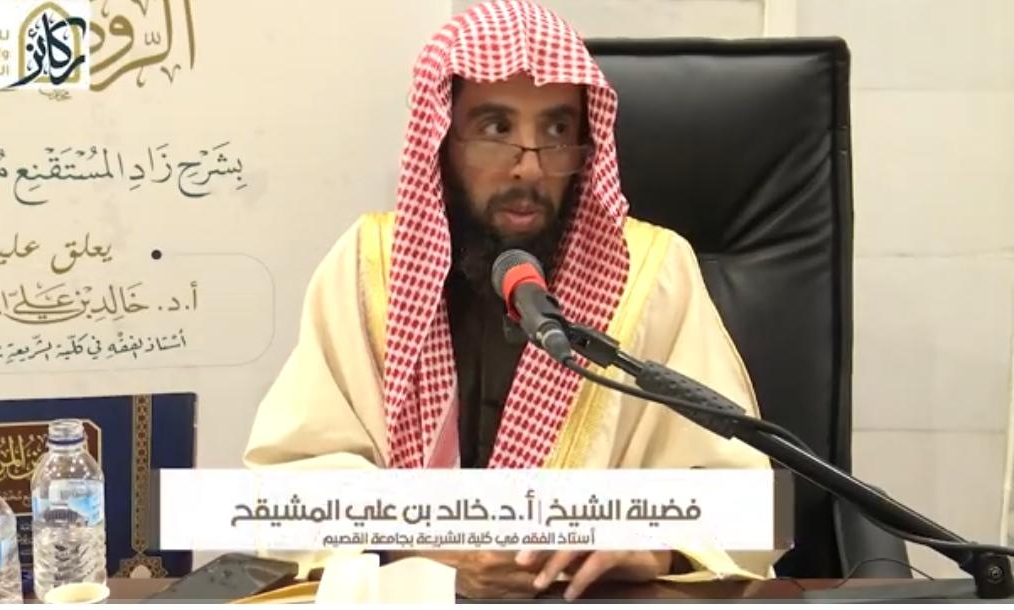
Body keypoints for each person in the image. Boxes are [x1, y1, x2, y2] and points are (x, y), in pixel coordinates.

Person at [244, 0, 776, 600]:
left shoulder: (652, 273)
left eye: (556, 131)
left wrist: (651, 542)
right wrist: (431, 543)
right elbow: (284, 487)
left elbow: (751, 507)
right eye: (496, 129)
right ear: (440, 140)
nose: (529, 168)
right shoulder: (369, 267)